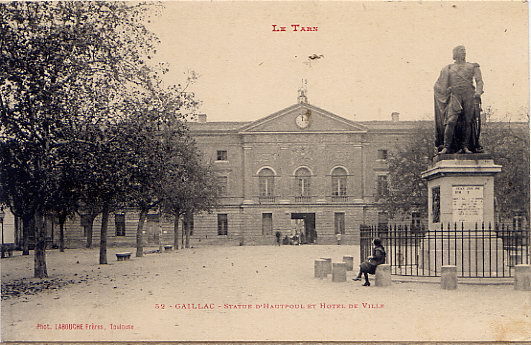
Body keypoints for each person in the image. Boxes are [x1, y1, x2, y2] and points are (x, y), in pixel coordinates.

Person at [434, 45, 484, 154]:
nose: (464, 53)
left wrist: (478, 93)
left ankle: (465, 146)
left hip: (469, 95)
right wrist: (446, 90)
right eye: (461, 51)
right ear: (455, 53)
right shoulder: (448, 68)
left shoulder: (473, 66)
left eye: (465, 51)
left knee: (468, 121)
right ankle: (447, 146)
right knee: (451, 121)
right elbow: (438, 85)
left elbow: (479, 81)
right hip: (455, 95)